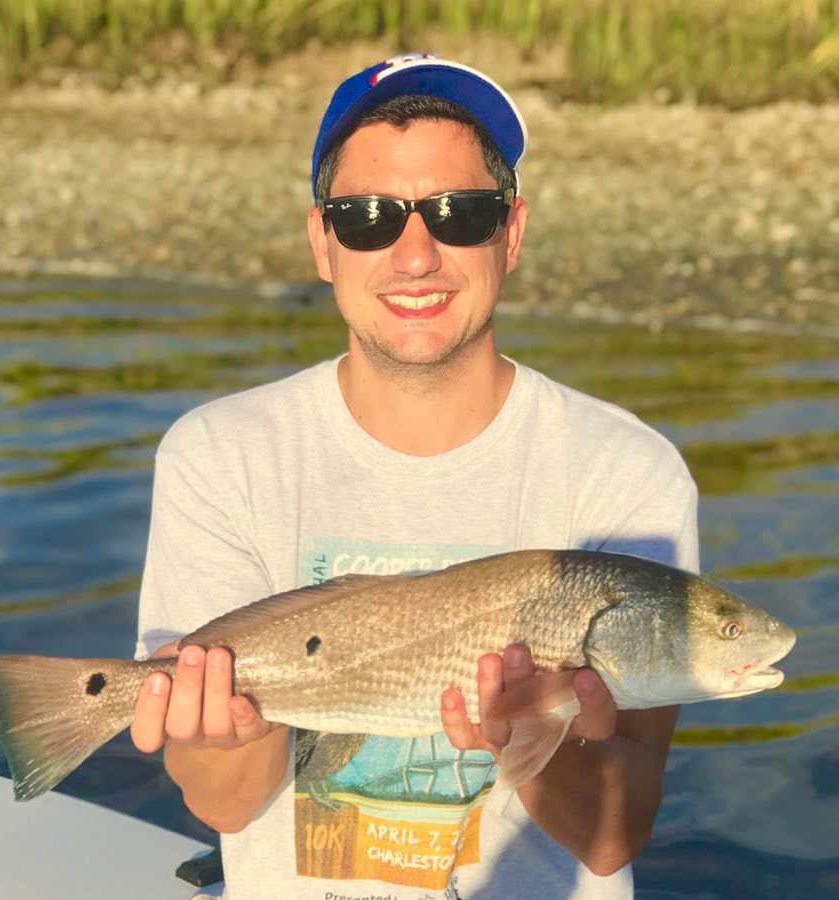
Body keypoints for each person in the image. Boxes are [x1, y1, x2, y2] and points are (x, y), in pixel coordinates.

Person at [130, 54, 698, 899]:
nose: (415, 253)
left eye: (458, 213)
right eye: (366, 217)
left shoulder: (627, 471)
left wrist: (525, 741)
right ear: (323, 243)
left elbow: (614, 838)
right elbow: (223, 803)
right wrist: (227, 729)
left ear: (512, 233)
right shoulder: (218, 454)